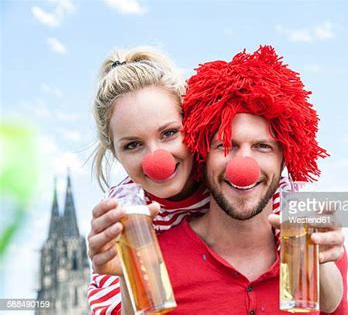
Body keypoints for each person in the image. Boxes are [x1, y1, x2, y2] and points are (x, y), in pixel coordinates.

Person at [86, 47, 289, 314]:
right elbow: (114, 306)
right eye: (133, 145)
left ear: (193, 125)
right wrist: (127, 271)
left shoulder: (225, 170)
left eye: (169, 133)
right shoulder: (123, 211)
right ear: (115, 153)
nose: (156, 160)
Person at [148, 45, 348, 314]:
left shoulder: (317, 248)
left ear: (284, 160)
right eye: (226, 146)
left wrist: (322, 262)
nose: (243, 166)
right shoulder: (154, 260)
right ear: (202, 156)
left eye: (262, 146)